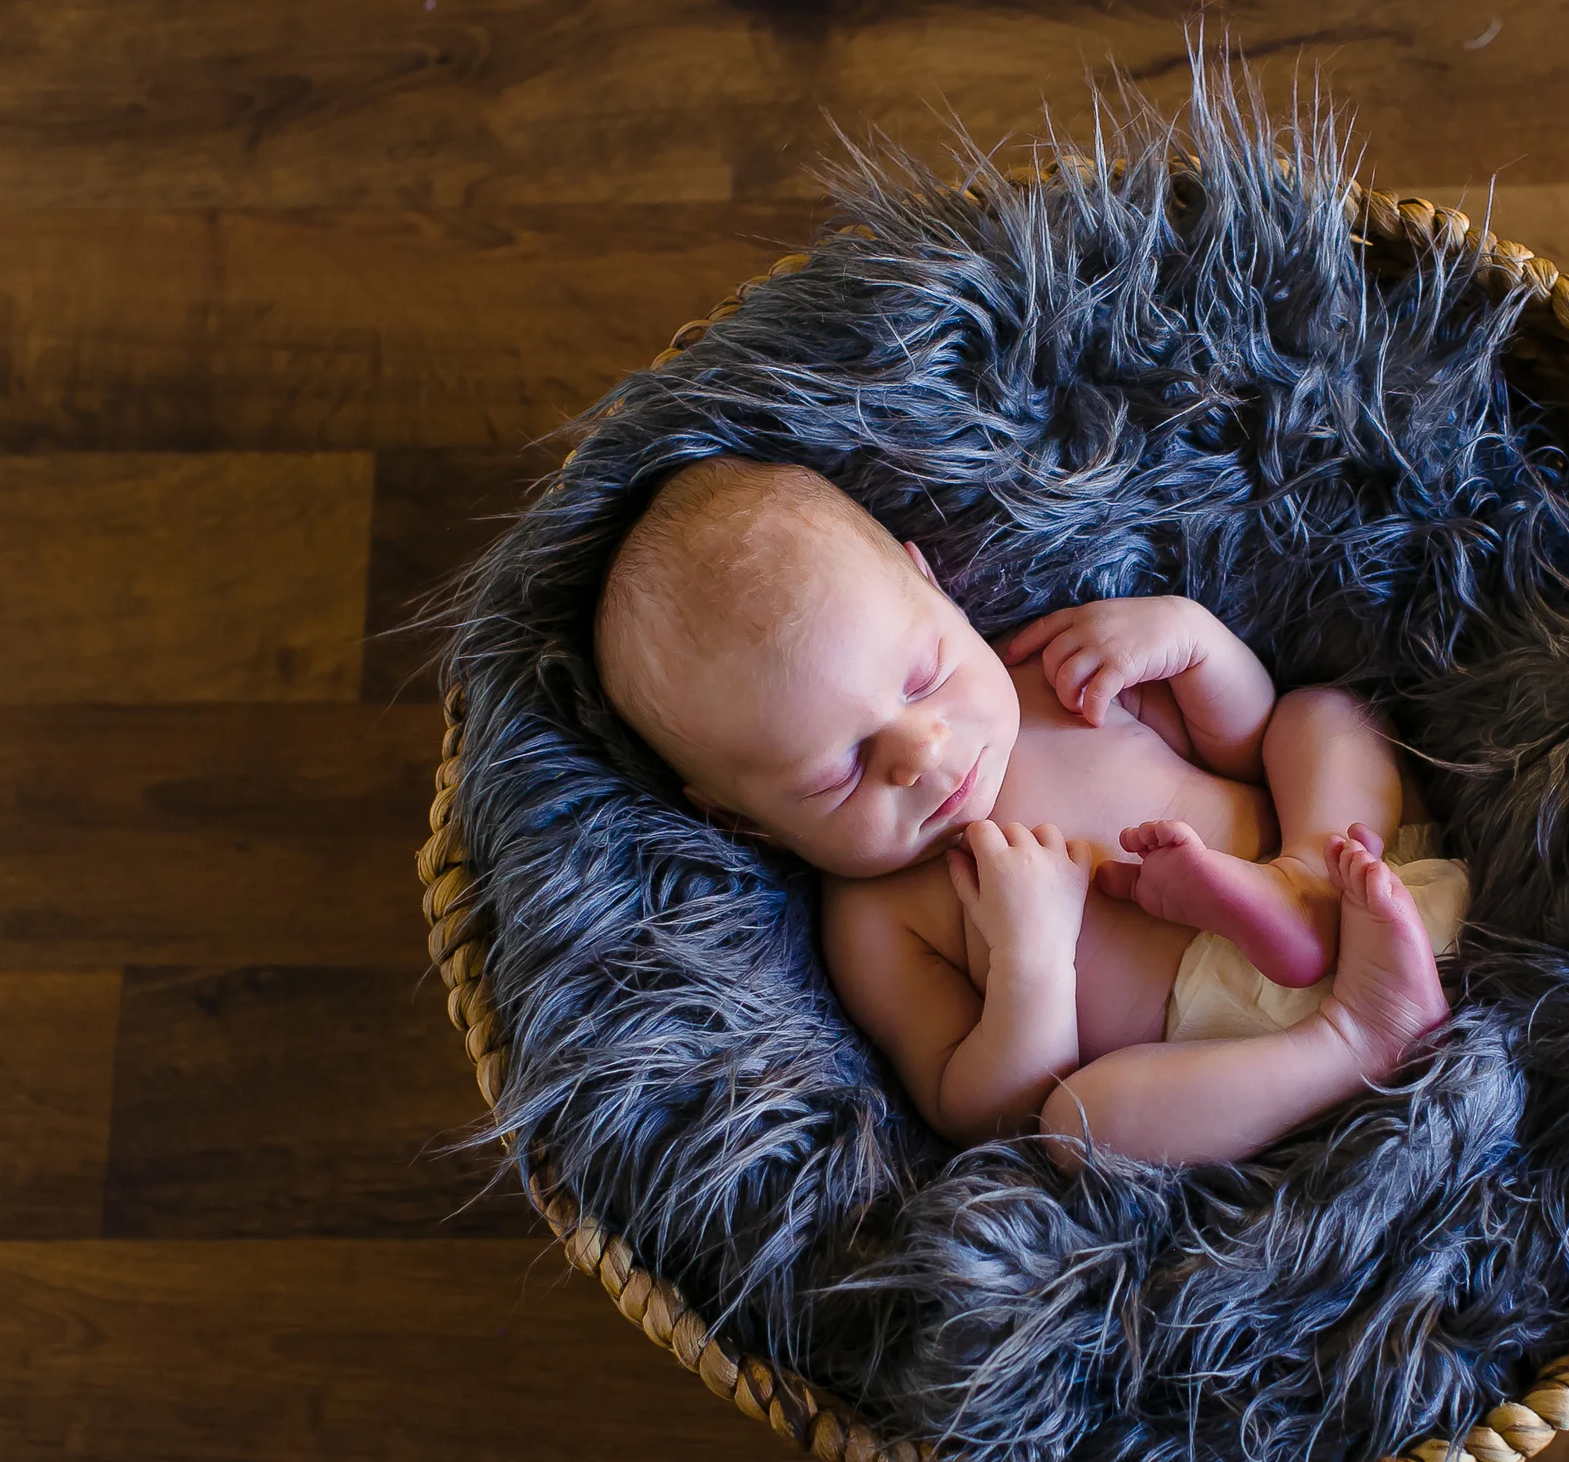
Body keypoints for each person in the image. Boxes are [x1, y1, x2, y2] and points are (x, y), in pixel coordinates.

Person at [593, 457, 1468, 1167]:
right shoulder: (875, 920)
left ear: (927, 581)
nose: (922, 753)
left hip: (1368, 880)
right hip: (1238, 1058)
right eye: (840, 773)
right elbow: (979, 1110)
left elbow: (1239, 746)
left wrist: (1197, 643)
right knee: (1079, 1125)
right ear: (746, 825)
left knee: (1322, 717)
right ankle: (1360, 1038)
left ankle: (1297, 884)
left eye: (923, 678)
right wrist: (1031, 962)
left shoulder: (1055, 685)